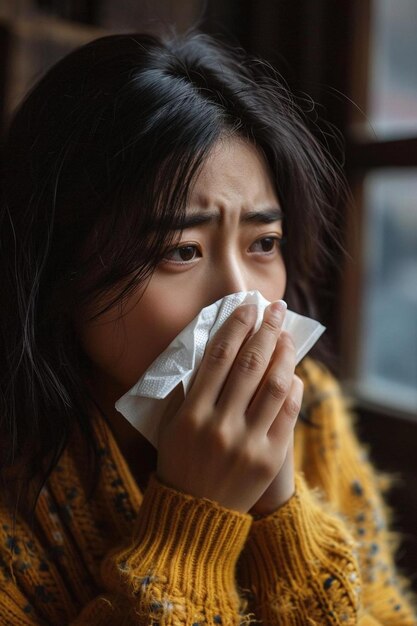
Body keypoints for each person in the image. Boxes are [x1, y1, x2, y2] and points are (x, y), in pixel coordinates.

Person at [0, 30, 416, 626]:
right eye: (181, 251)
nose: (239, 298)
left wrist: (283, 514)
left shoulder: (310, 412)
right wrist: (194, 524)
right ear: (56, 264)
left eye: (263, 243)